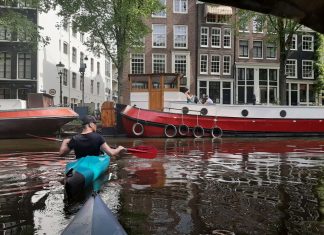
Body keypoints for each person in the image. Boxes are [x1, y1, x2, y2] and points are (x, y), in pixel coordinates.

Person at [59, 115, 125, 158]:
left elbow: (62, 154)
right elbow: (111, 153)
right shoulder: (98, 137)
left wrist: (65, 141)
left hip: (80, 164)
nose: (96, 126)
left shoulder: (75, 139)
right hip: (94, 164)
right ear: (90, 124)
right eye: (95, 124)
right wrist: (119, 148)